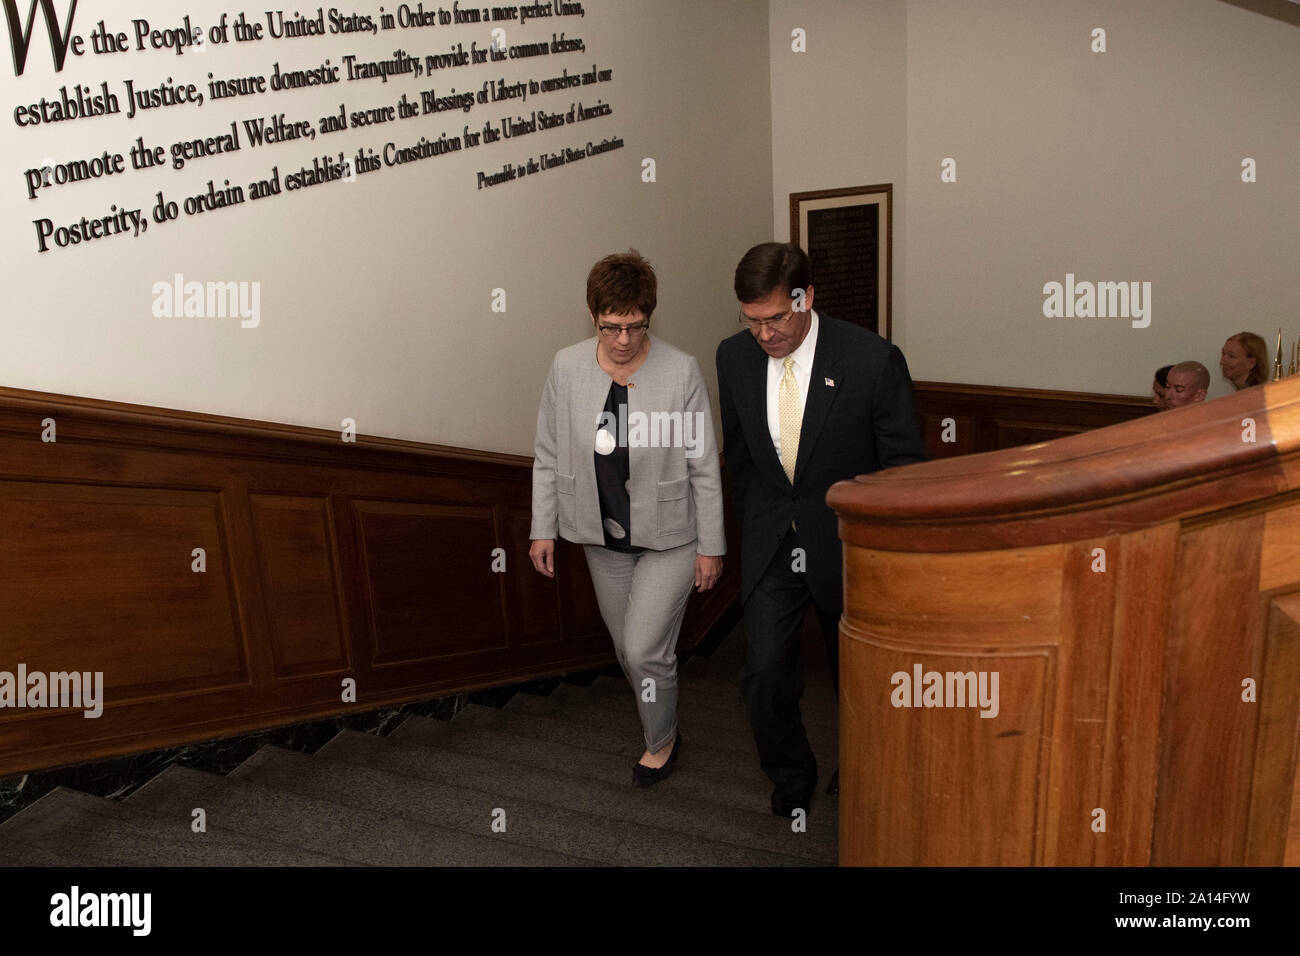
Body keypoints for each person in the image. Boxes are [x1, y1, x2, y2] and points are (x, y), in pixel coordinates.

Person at [715, 242, 928, 817]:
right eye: (752, 320)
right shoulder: (732, 358)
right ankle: (791, 779)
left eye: (776, 318)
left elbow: (904, 469)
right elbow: (740, 457)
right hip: (772, 545)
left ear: (807, 298)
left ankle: (865, 773)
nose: (764, 334)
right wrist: (750, 535)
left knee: (858, 681)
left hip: (846, 547)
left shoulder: (870, 360)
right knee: (762, 676)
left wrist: (894, 560)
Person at [529, 250, 725, 787]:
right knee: (628, 650)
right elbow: (547, 453)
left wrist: (713, 545)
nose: (623, 339)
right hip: (600, 536)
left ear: (649, 317)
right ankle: (662, 717)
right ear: (593, 316)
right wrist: (542, 527)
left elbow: (703, 465)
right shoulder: (566, 367)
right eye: (611, 326)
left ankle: (661, 741)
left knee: (642, 648)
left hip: (671, 538)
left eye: (635, 326)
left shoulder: (679, 370)